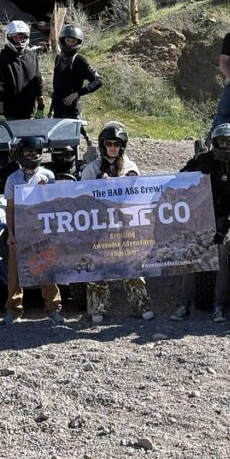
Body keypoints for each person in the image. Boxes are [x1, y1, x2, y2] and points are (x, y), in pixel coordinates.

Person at [171, 123, 230, 324]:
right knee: (191, 262)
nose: (224, 145)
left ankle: (218, 308)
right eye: (220, 141)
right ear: (214, 142)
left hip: (224, 220)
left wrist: (224, 230)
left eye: (228, 142)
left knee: (221, 265)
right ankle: (183, 306)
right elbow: (180, 178)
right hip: (199, 218)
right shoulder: (202, 159)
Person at [80, 122, 154, 324]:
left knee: (131, 265)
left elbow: (138, 195)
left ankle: (141, 306)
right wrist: (98, 186)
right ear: (103, 145)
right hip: (100, 226)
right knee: (96, 266)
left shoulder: (130, 167)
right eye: (109, 143)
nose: (112, 147)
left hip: (125, 225)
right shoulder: (91, 169)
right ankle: (98, 308)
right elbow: (81, 197)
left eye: (117, 143)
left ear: (123, 146)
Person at [3, 136, 64, 325]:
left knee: (46, 268)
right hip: (21, 231)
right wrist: (11, 233)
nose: (32, 155)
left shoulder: (48, 176)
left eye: (35, 152)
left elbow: (54, 205)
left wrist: (46, 190)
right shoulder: (13, 179)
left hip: (42, 230)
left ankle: (53, 308)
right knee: (15, 272)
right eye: (28, 152)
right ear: (21, 155)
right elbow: (10, 208)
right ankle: (13, 309)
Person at [0, 21, 45, 120]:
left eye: (21, 37)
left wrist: (41, 106)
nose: (19, 41)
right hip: (9, 114)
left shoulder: (33, 56)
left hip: (29, 112)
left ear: (26, 37)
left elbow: (38, 82)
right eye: (15, 37)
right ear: (9, 37)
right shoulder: (1, 59)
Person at [50, 24, 103, 119]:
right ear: (63, 40)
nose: (69, 44)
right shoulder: (58, 59)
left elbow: (98, 81)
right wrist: (51, 109)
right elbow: (56, 86)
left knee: (79, 133)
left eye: (73, 41)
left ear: (77, 43)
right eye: (68, 40)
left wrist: (78, 93)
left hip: (73, 112)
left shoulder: (80, 61)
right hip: (57, 111)